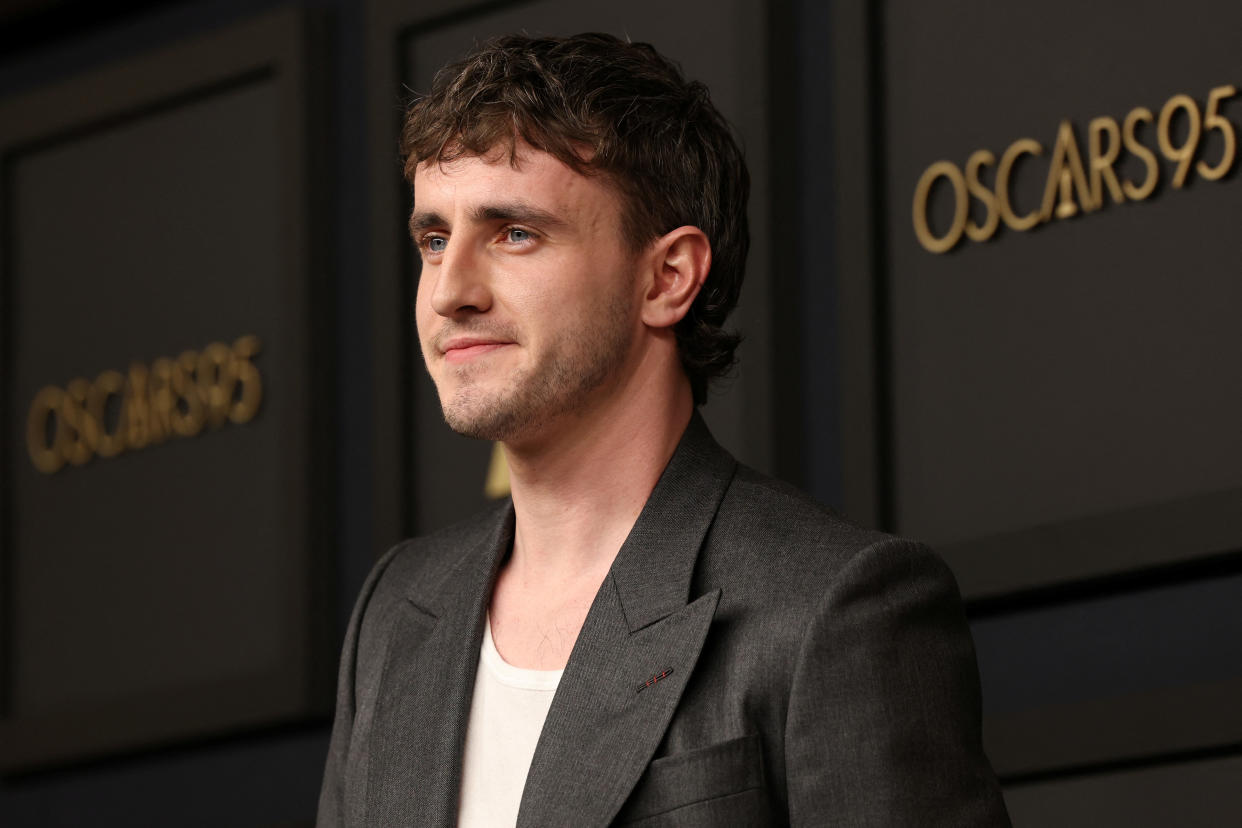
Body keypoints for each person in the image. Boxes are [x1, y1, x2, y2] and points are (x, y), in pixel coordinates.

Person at [317, 32, 1009, 827]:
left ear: (667, 277)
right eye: (435, 240)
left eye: (514, 233)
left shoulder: (835, 610)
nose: (449, 291)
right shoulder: (396, 610)